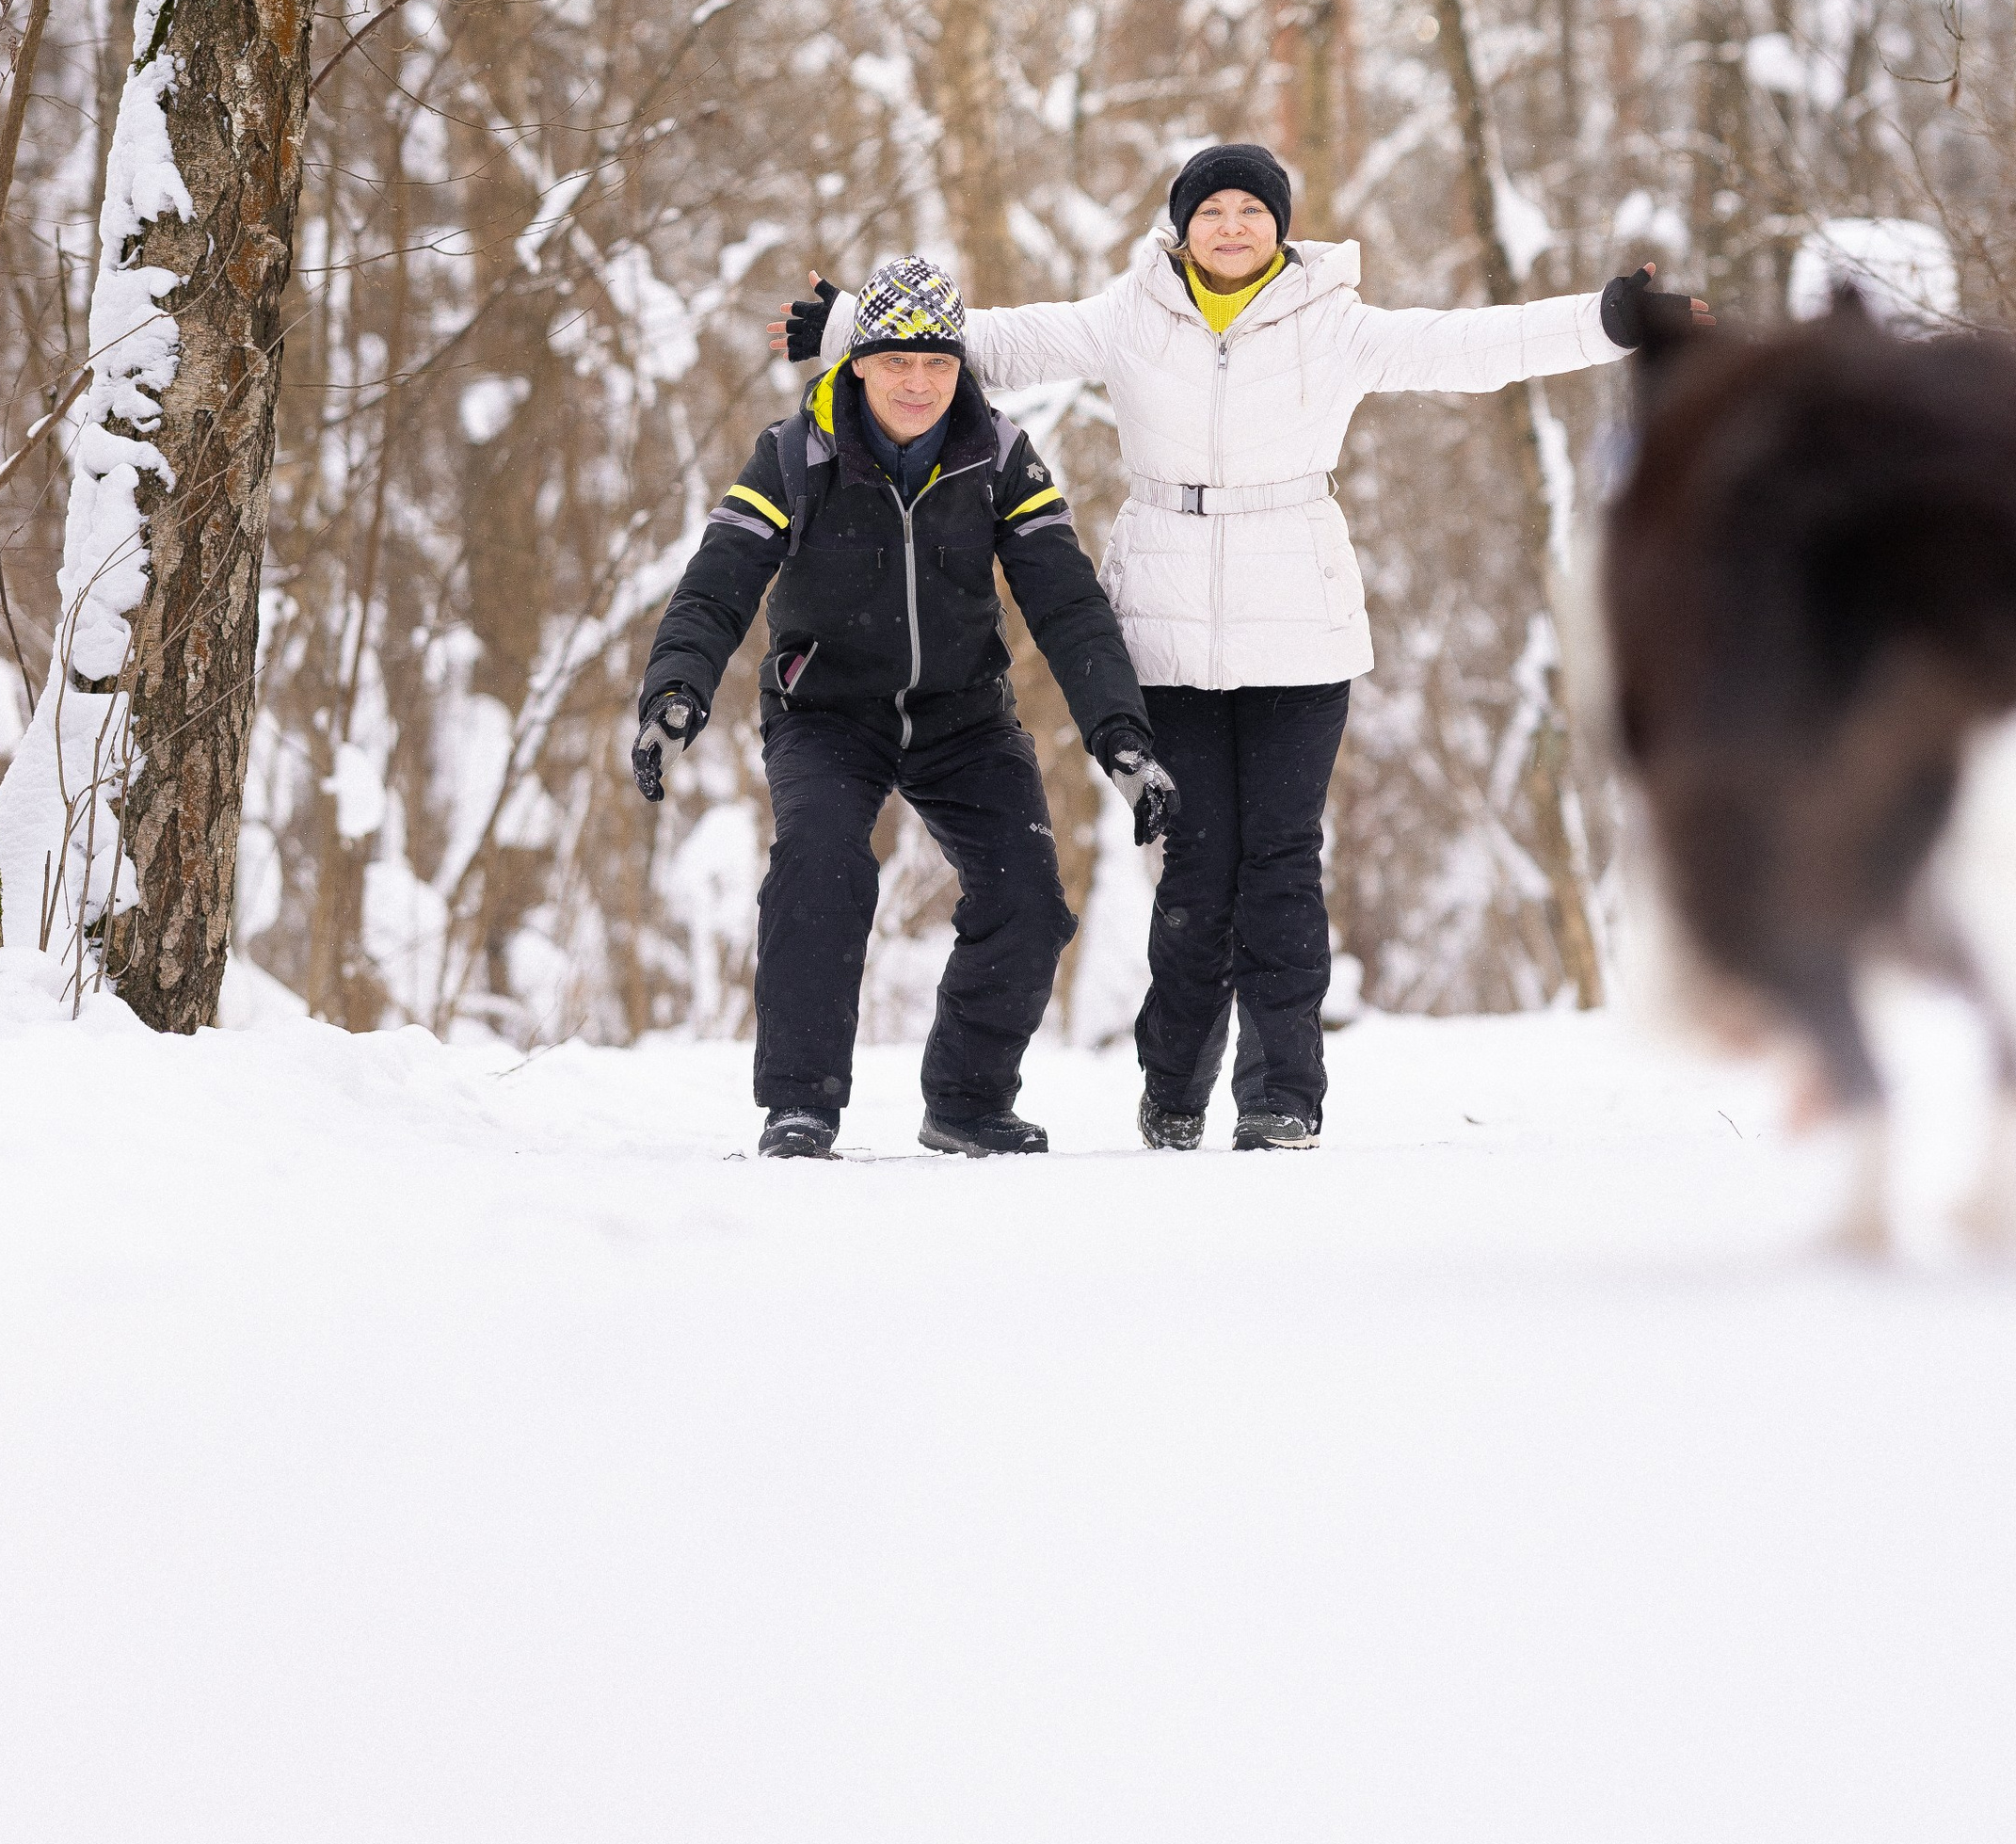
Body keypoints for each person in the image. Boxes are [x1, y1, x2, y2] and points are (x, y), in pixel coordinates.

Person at [791, 152, 1693, 1152]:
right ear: (1181, 228)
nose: (1230, 226)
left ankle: (1281, 1094)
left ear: (1280, 227)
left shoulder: (1333, 319)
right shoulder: (1131, 312)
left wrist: (1606, 321)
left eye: (1249, 211)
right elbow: (999, 341)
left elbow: (1470, 344)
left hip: (1298, 623)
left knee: (1281, 862)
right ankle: (1173, 1088)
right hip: (1166, 629)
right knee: (1197, 865)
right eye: (1210, 211)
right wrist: (846, 328)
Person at [633, 253, 1178, 1161]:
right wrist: (676, 689)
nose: (918, 382)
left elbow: (1066, 598)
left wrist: (1122, 737)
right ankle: (800, 1106)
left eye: (938, 362)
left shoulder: (999, 455)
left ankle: (966, 1100)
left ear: (960, 368)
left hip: (962, 714)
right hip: (827, 713)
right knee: (821, 865)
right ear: (857, 364)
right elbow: (719, 582)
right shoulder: (795, 452)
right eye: (895, 361)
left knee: (1030, 897)